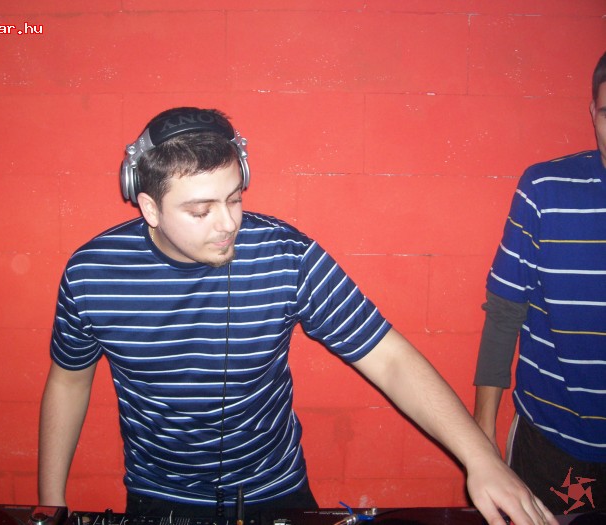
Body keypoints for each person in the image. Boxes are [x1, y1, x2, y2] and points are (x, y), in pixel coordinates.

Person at [39, 106, 556, 525]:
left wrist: (481, 459)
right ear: (149, 208)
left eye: (235, 199)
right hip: (158, 498)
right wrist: (50, 505)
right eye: (200, 211)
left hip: (275, 493)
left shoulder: (285, 255)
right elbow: (68, 381)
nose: (228, 224)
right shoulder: (92, 275)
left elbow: (390, 358)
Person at [473, 51, 606, 515]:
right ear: (592, 112)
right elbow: (504, 311)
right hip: (551, 445)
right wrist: (483, 436)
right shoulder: (545, 190)